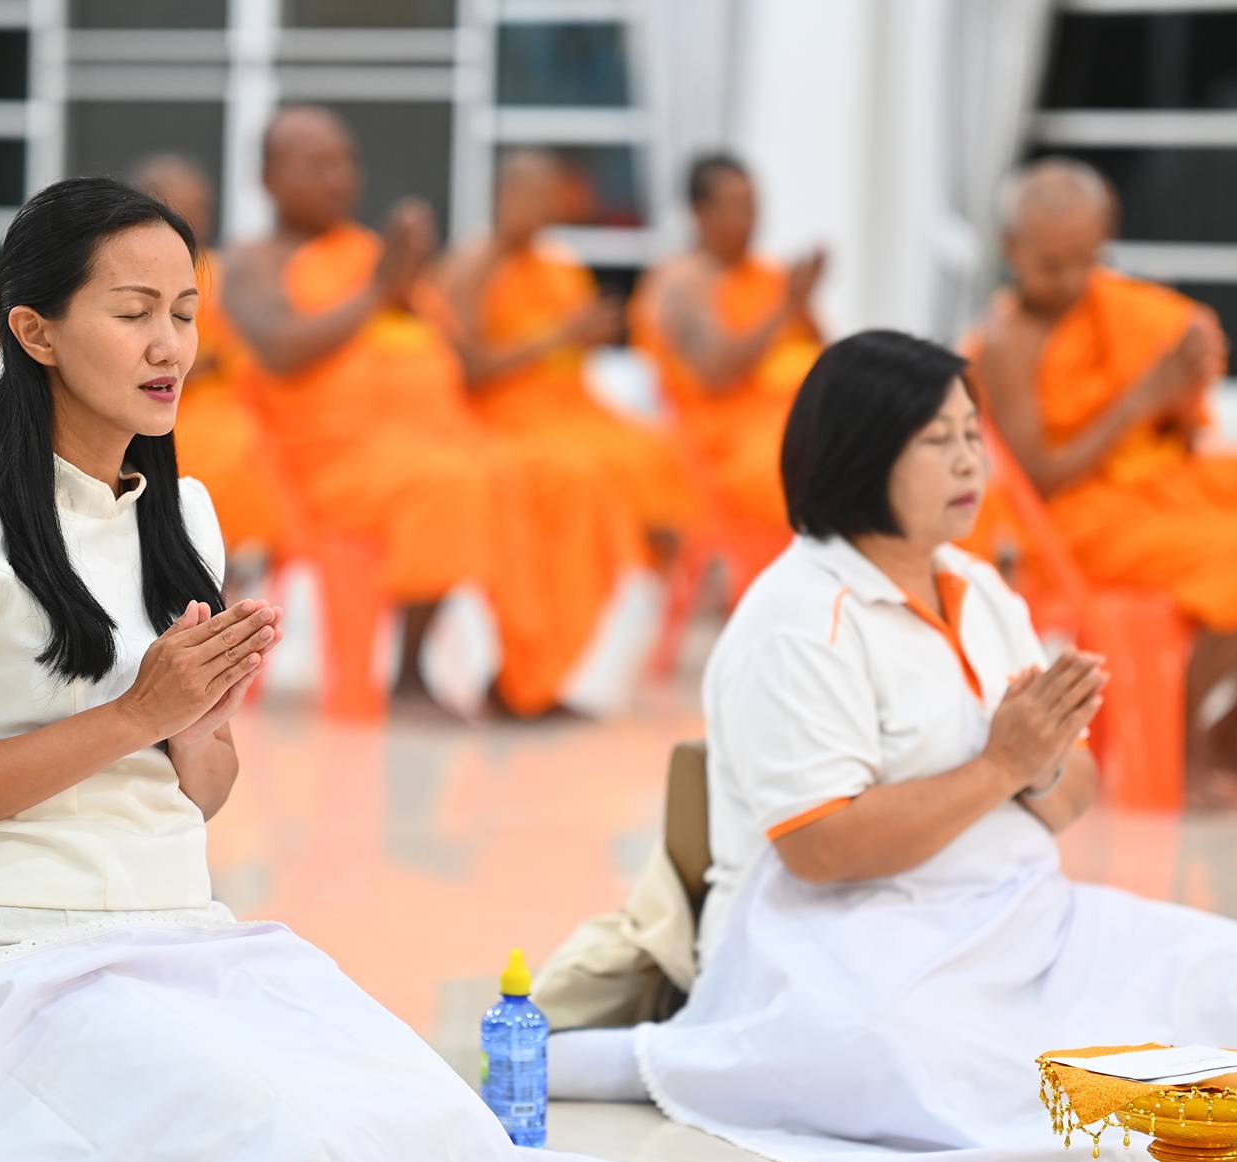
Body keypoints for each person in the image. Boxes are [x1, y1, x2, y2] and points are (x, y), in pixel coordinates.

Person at [0, 176, 865, 1162]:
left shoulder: (181, 509)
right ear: (34, 331)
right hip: (6, 960)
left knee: (419, 1122)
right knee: (287, 1154)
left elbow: (201, 785)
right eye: (133, 311)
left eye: (185, 313)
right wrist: (136, 710)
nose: (169, 346)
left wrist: (197, 723)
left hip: (174, 934)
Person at [546, 331, 1237, 1162]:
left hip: (1019, 916)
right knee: (912, 1047)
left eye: (973, 435)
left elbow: (1073, 795)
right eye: (936, 440)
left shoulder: (978, 588)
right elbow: (820, 849)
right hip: (836, 933)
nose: (970, 462)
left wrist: (1042, 762)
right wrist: (998, 766)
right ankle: (636, 1058)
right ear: (861, 457)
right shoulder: (797, 617)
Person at [970, 157, 1237, 804]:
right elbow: (1040, 479)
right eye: (1051, 265)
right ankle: (1178, 737)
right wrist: (1141, 401)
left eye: (1085, 259)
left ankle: (1229, 730)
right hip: (1070, 518)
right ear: (1010, 249)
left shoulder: (1123, 310)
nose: (1073, 281)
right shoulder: (1009, 338)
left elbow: (1173, 434)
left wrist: (1181, 397)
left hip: (1146, 486)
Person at [225, 107, 636, 717]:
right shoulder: (255, 262)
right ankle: (409, 674)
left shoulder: (369, 253)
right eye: (315, 165)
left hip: (435, 435)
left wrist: (406, 284)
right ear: (267, 178)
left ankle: (524, 681)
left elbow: (452, 347)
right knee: (453, 484)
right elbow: (282, 350)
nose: (337, 178)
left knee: (569, 485)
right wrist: (378, 290)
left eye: (344, 163)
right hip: (335, 460)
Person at [439, 149, 693, 563]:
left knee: (658, 451)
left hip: (577, 408)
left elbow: (572, 350)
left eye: (549, 194)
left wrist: (590, 337)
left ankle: (653, 585)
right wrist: (558, 338)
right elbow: (464, 368)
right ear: (503, 195)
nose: (543, 204)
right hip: (507, 416)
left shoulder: (559, 265)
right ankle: (594, 596)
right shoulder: (470, 263)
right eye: (533, 193)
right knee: (580, 472)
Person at [631, 152, 823, 542]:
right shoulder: (681, 283)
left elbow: (823, 353)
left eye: (753, 207)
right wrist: (786, 307)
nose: (749, 221)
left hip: (791, 411)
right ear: (700, 213)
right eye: (736, 208)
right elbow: (716, 372)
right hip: (724, 432)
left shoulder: (769, 274)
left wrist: (800, 305)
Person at [133, 154, 285, 571]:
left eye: (201, 205)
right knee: (220, 451)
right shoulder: (128, 273)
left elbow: (249, 348)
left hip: (228, 402)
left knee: (262, 445)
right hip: (171, 404)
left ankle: (239, 557)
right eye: (182, 205)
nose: (194, 216)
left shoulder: (219, 271)